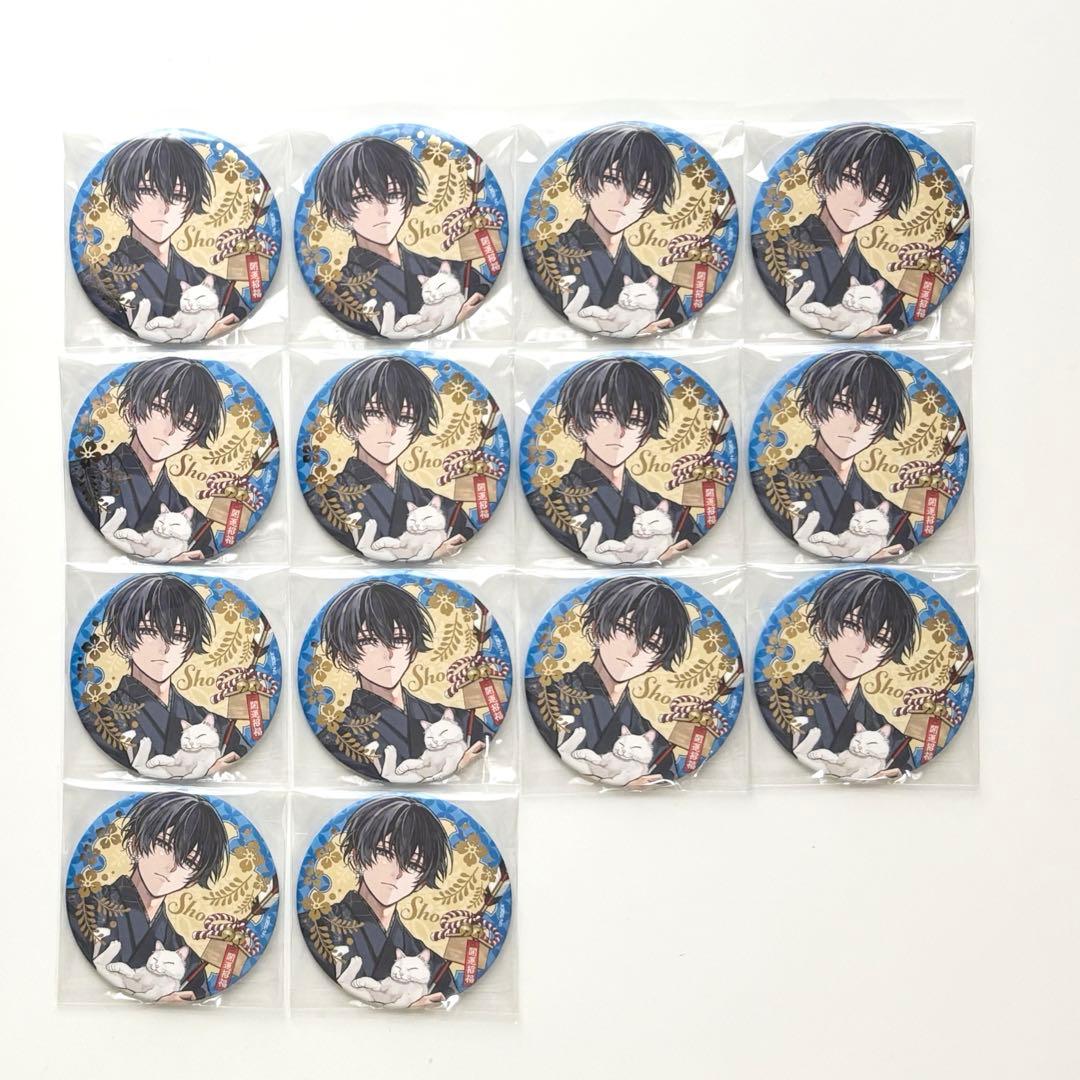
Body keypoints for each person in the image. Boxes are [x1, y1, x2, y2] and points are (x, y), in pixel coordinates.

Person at [752, 124, 919, 334]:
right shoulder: (767, 249)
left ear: (883, 212)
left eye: (878, 194)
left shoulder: (884, 293)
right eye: (851, 179)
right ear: (821, 182)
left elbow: (894, 329)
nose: (861, 201)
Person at [314, 136, 488, 337]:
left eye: (393, 194)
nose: (383, 210)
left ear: (408, 201)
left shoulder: (455, 272)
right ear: (339, 214)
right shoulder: (336, 295)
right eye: (362, 197)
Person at [528, 357, 699, 560]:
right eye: (603, 415)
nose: (620, 432)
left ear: (646, 434)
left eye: (635, 420)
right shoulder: (546, 504)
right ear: (576, 425)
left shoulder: (674, 514)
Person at [304, 355, 473, 558]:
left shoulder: (445, 509)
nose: (390, 429)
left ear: (416, 430)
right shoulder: (322, 502)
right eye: (375, 413)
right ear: (347, 425)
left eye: (405, 417)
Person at [528, 577, 692, 786]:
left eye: (651, 645)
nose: (634, 651)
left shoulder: (656, 746)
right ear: (596, 629)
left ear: (657, 662)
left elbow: (663, 782)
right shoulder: (539, 694)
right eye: (625, 629)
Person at [79, 136, 247, 338]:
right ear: (121, 203)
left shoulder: (217, 287)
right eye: (148, 191)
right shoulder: (98, 280)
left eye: (178, 195)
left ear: (189, 209)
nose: (164, 207)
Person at [68, 791, 229, 1002]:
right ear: (135, 844)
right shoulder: (81, 905)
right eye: (165, 845)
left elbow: (198, 993)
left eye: (189, 862)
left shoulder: (183, 955)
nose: (172, 867)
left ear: (193, 879)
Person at [752, 350, 915, 557]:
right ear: (812, 412)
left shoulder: (892, 515)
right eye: (842, 406)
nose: (855, 425)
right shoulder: (768, 484)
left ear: (879, 434)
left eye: (872, 417)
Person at [522, 124, 684, 332]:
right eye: (612, 180)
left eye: (642, 190)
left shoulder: (660, 289)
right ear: (582, 186)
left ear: (650, 206)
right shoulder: (538, 258)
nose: (625, 200)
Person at [320, 580, 484, 781]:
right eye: (368, 641)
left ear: (413, 650)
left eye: (398, 639)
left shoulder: (458, 719)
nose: (388, 653)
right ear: (345, 657)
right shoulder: (338, 736)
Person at [758, 570, 918, 773]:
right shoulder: (772, 697)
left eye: (881, 639)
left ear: (887, 656)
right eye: (852, 625)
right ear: (823, 628)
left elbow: (901, 771)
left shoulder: (890, 738)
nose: (863, 646)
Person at [82, 575, 244, 773]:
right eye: (148, 631)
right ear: (122, 642)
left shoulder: (218, 726)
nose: (164, 647)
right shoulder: (96, 720)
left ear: (189, 650)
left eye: (178, 635)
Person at [69, 356, 224, 561]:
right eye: (160, 409)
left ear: (192, 440)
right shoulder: (84, 475)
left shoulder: (192, 519)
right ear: (131, 411)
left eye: (187, 423)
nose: (170, 430)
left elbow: (207, 555)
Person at [314, 797, 457, 1005]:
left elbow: (447, 999)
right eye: (385, 853)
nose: (397, 873)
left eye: (414, 865)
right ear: (356, 857)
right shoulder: (315, 927)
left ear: (421, 882)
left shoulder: (432, 965)